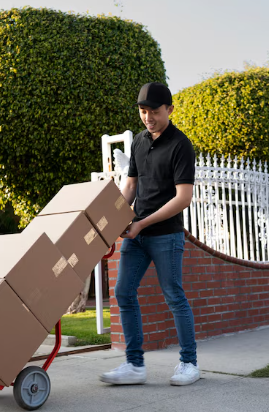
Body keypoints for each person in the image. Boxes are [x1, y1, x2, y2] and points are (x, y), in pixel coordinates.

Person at [99, 82, 199, 386]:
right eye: (143, 111)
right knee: (123, 292)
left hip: (165, 235)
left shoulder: (181, 145)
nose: (148, 117)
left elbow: (183, 198)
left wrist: (143, 223)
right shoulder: (139, 142)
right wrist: (116, 218)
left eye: (154, 111)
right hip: (137, 234)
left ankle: (189, 363)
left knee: (174, 296)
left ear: (169, 109)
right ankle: (134, 365)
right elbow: (130, 186)